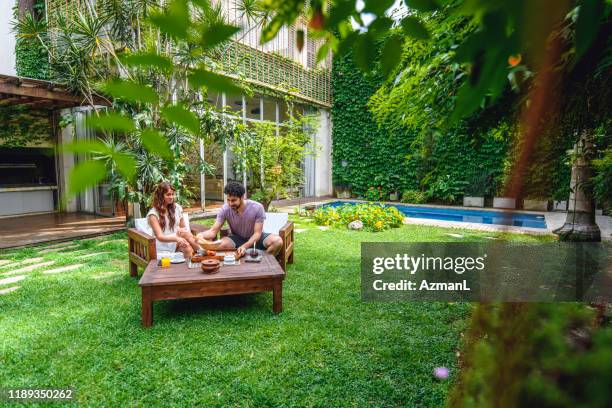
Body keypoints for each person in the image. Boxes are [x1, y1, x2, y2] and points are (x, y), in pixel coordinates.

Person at [197, 181, 283, 257]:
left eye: (234, 200)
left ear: (242, 197)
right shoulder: (225, 209)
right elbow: (213, 231)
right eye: (228, 200)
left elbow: (257, 233)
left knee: (277, 241)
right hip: (237, 238)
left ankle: (265, 262)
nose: (230, 203)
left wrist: (245, 246)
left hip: (256, 238)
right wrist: (201, 235)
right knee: (216, 246)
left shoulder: (257, 207)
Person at [147, 182, 199, 258]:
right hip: (163, 244)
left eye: (172, 194)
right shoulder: (153, 214)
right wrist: (177, 238)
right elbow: (160, 237)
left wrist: (181, 230)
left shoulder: (177, 208)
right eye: (168, 194)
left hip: (177, 240)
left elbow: (183, 227)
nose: (171, 197)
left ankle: (201, 254)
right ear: (160, 196)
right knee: (186, 238)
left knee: (187, 248)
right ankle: (204, 252)